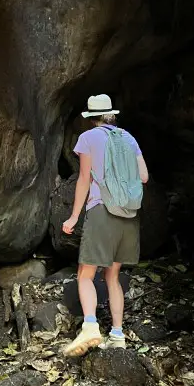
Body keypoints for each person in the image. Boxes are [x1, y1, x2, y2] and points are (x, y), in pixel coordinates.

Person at [61, 94, 149, 357]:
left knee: (85, 274)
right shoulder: (129, 138)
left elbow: (84, 179)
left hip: (102, 212)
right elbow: (143, 176)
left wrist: (74, 217)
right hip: (129, 215)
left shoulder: (88, 138)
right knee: (112, 276)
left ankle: (90, 326)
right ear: (112, 115)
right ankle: (118, 336)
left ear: (92, 118)